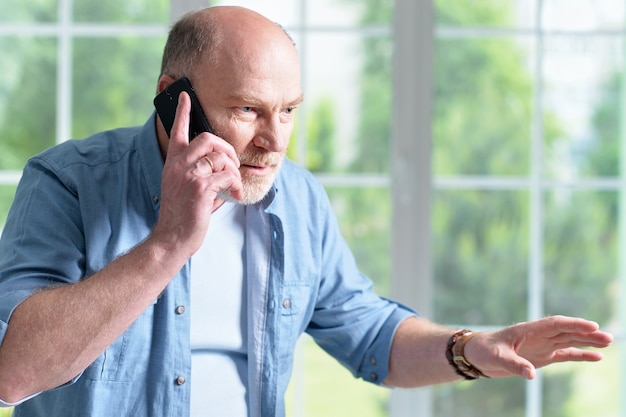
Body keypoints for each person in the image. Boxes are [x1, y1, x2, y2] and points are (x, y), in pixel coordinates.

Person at [0, 5, 613, 417]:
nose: (275, 140)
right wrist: (167, 244)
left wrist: (470, 349)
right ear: (172, 98)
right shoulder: (67, 183)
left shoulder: (295, 198)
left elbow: (369, 334)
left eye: (288, 110)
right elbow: (15, 372)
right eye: (247, 110)